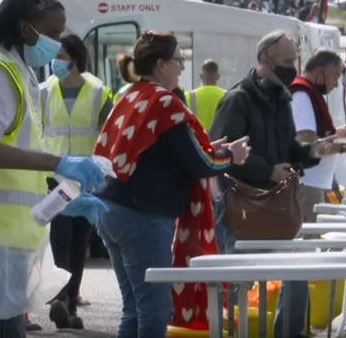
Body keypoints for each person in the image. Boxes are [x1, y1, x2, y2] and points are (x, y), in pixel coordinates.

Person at [0, 0, 108, 338]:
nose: (56, 42)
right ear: (24, 29)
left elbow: (20, 180)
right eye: (51, 33)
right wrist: (59, 163)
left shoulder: (19, 74)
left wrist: (62, 203)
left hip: (2, 232)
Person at [94, 31, 250, 338]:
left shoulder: (130, 94)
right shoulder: (165, 102)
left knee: (134, 307)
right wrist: (231, 155)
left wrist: (209, 148)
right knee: (154, 310)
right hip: (142, 216)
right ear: (161, 63)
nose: (182, 67)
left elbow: (170, 151)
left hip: (109, 207)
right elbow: (200, 163)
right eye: (179, 60)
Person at [209, 30, 338, 338]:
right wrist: (268, 171)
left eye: (295, 60)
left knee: (296, 278)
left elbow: (289, 149)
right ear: (266, 60)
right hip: (240, 210)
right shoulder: (238, 99)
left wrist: (313, 151)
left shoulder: (281, 98)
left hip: (277, 208)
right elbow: (221, 153)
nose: (293, 67)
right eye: (287, 61)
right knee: (235, 286)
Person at [40, 35, 113, 329]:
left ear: (75, 59)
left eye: (61, 56)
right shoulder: (43, 91)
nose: (55, 62)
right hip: (53, 178)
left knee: (78, 242)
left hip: (86, 179)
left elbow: (109, 136)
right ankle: (61, 300)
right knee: (61, 238)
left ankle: (67, 302)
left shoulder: (98, 91)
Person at [290, 49, 346, 223]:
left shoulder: (308, 94)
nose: (336, 84)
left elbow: (312, 135)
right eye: (335, 76)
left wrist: (336, 132)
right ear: (320, 73)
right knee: (307, 241)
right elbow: (307, 145)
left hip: (313, 183)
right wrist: (344, 147)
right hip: (307, 183)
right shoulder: (303, 96)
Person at [186, 59, 226, 131]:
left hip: (197, 141)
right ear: (218, 76)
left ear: (201, 76)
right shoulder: (227, 96)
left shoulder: (189, 96)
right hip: (221, 140)